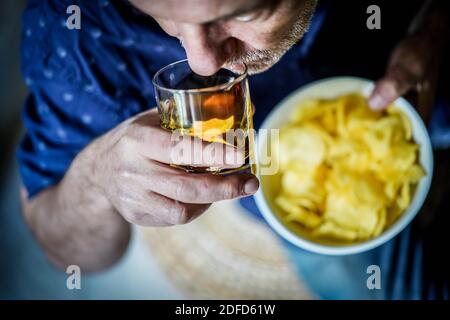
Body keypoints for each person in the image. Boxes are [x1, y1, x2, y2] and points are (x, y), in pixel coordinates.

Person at [18, 0, 449, 298]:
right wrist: (95, 177)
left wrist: (435, 24)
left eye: (240, 13)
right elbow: (62, 245)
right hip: (309, 216)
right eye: (160, 16)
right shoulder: (70, 32)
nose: (202, 61)